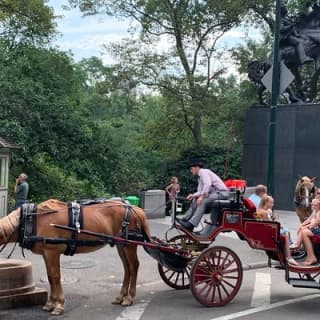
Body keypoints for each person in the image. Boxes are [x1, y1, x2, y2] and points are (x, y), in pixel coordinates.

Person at [177, 161, 229, 232]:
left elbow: (208, 184)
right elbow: (200, 191)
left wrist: (201, 197)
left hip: (222, 193)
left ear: (197, 168)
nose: (191, 171)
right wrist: (193, 195)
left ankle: (191, 224)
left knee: (203, 201)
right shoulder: (200, 177)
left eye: (191, 169)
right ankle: (185, 219)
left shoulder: (203, 172)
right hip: (215, 193)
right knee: (196, 200)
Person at [256, 195, 298, 265]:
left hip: (268, 230)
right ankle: (289, 256)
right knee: (286, 232)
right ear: (266, 203)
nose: (273, 205)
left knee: (286, 230)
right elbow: (269, 223)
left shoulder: (261, 210)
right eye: (271, 203)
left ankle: (290, 247)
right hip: (269, 232)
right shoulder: (265, 212)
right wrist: (277, 225)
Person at [299, 198, 320, 265]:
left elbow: (316, 223)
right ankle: (308, 256)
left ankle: (312, 257)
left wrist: (306, 227)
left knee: (304, 232)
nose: (313, 206)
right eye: (312, 205)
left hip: (318, 230)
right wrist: (301, 225)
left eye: (315, 205)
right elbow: (309, 219)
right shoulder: (314, 211)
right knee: (302, 230)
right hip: (315, 229)